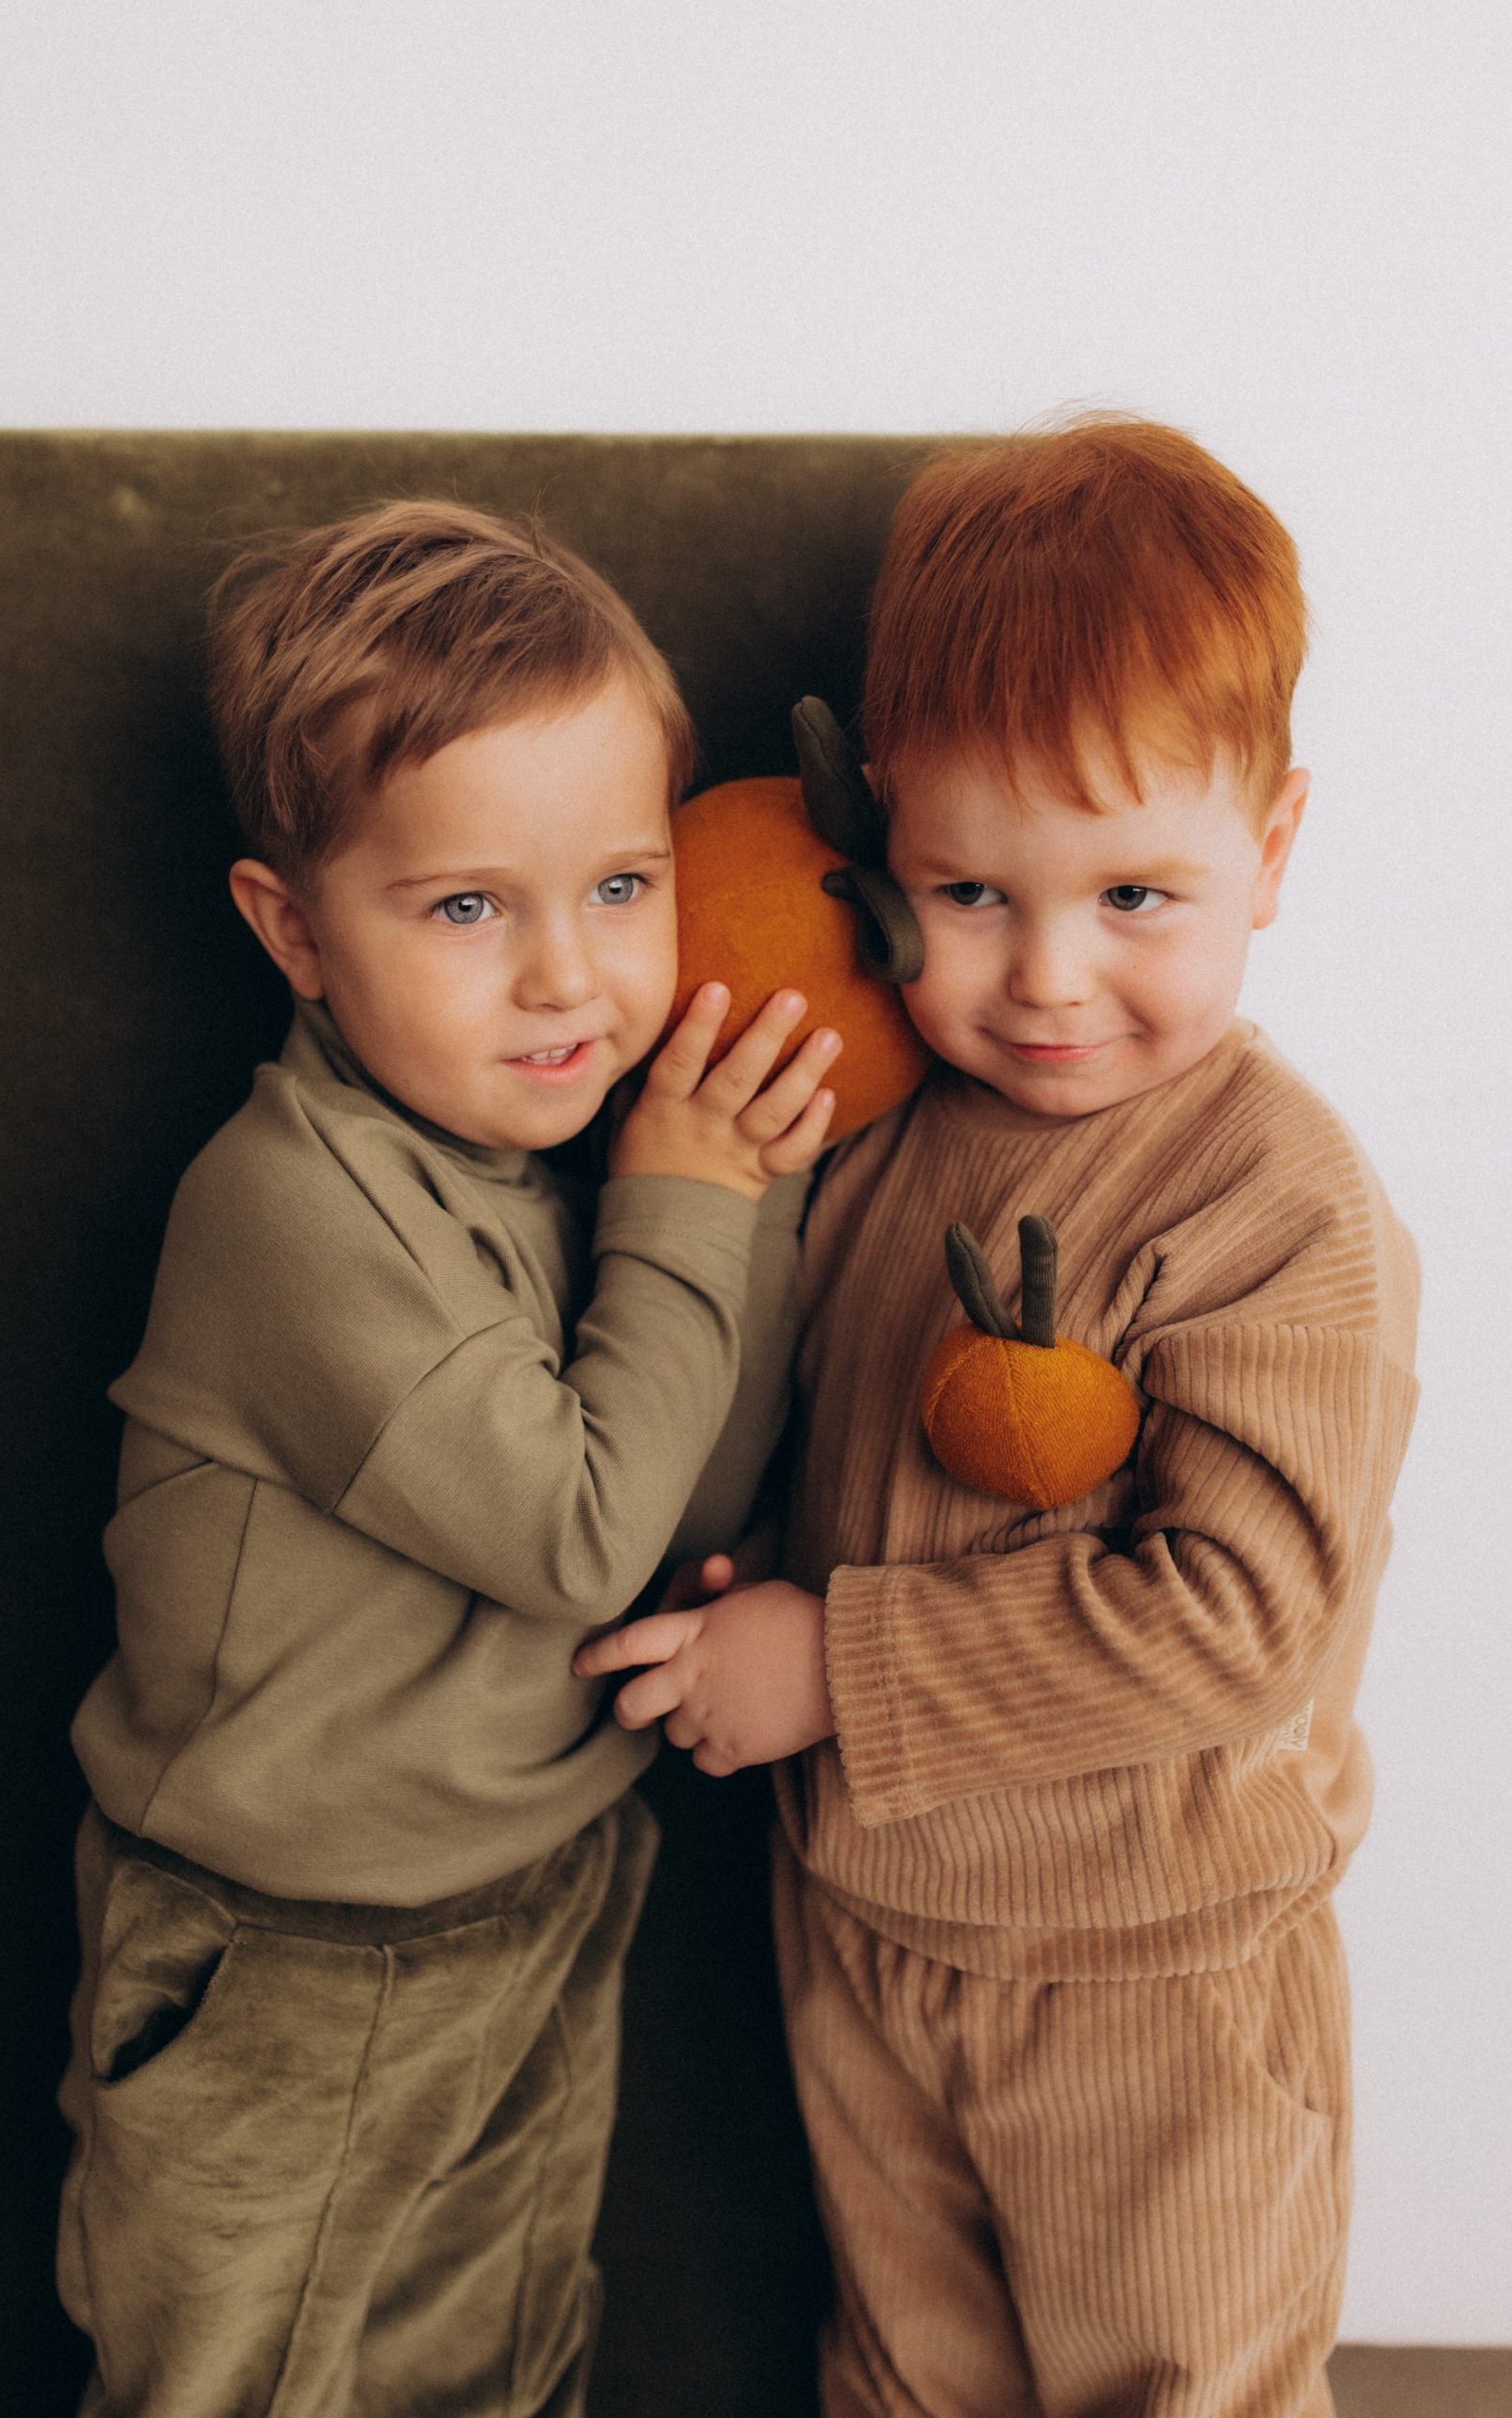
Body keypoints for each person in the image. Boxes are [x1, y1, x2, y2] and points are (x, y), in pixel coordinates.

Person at [577, 417, 1420, 2417]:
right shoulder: (885, 1125)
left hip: (1152, 1963)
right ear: (882, 850)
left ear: (1269, 852)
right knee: (903, 2371)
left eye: (1134, 893)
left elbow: (1240, 1616)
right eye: (967, 890)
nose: (1044, 978)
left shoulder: (1275, 1201)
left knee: (1181, 2378)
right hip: (871, 1921)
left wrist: (833, 1660)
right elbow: (827, 1431)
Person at [56, 498, 841, 2417]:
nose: (569, 976)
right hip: (286, 1948)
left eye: (622, 885)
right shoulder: (289, 1209)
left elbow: (682, 1502)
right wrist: (685, 1200)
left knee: (495, 2355)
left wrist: (744, 1204)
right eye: (468, 907)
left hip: (539, 1877)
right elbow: (579, 1533)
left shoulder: (570, 1162)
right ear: (295, 931)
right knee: (235, 2379)